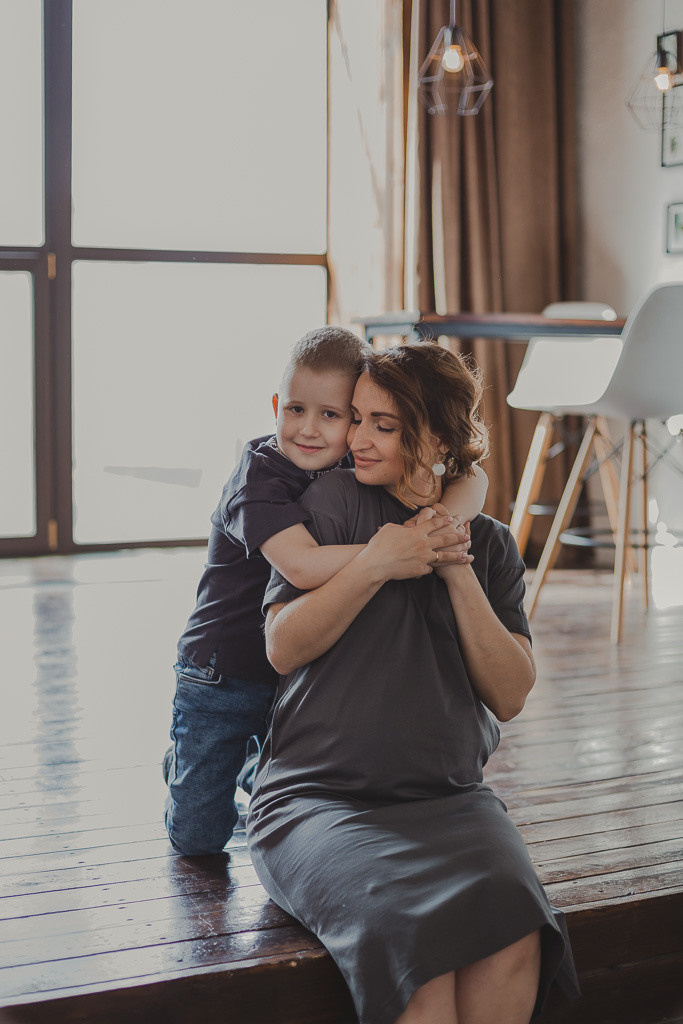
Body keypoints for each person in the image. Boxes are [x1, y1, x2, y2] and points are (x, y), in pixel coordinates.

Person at [246, 341, 580, 1024]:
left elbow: (510, 694)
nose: (354, 439)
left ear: (435, 438)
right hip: (318, 802)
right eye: (357, 418)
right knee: (417, 973)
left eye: (382, 425)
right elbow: (281, 647)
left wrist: (452, 565)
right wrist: (374, 564)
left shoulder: (485, 544)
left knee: (515, 936)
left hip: (451, 802)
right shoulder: (334, 502)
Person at [164, 327, 488, 856]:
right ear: (275, 406)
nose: (309, 430)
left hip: (290, 677)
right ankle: (188, 765)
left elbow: (473, 478)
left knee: (272, 776)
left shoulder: (351, 462)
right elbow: (303, 565)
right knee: (199, 840)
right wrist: (400, 547)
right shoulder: (259, 477)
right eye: (295, 410)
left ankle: (243, 764)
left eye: (333, 416)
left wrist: (441, 521)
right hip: (219, 672)